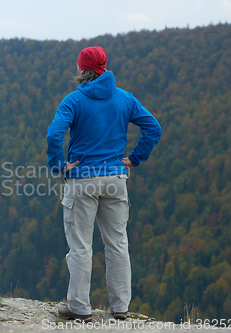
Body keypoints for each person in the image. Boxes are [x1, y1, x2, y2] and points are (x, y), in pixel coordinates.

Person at [46, 46, 161, 322]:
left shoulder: (73, 101)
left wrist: (58, 165)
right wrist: (134, 158)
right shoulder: (125, 98)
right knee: (118, 243)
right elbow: (153, 127)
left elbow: (54, 136)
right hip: (115, 178)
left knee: (81, 246)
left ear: (82, 70)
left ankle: (79, 308)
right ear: (104, 66)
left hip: (82, 179)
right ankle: (120, 308)